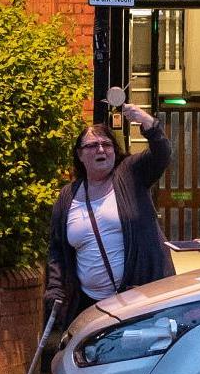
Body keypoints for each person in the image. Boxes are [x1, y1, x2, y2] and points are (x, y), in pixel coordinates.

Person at [42, 103, 175, 332]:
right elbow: (57, 249)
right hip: (91, 306)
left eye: (107, 144)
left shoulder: (130, 174)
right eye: (93, 146)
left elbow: (162, 154)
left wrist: (148, 123)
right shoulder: (68, 196)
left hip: (140, 298)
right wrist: (55, 288)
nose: (101, 150)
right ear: (80, 155)